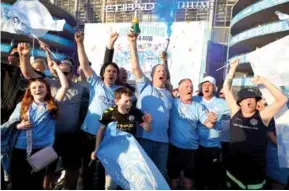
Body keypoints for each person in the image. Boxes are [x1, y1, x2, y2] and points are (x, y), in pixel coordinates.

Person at [18, 42, 86, 190]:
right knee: (46, 170)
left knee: (72, 170)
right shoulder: (48, 84)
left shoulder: (81, 89)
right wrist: (24, 57)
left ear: (73, 74)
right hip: (51, 136)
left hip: (71, 136)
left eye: (66, 72)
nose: (61, 74)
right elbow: (28, 73)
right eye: (59, 72)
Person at [7, 43, 68, 189]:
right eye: (34, 87)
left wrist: (57, 68)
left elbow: (64, 86)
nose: (38, 89)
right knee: (17, 184)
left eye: (41, 87)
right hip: (20, 150)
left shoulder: (52, 105)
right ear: (30, 91)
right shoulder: (22, 105)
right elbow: (11, 124)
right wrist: (19, 125)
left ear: (47, 90)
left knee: (35, 185)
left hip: (41, 152)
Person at [223, 59, 288, 190]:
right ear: (239, 102)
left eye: (252, 98)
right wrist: (233, 69)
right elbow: (226, 88)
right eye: (245, 98)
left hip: (255, 174)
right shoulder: (235, 112)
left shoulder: (263, 115)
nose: (249, 101)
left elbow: (283, 99)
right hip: (234, 172)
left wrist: (264, 81)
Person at [75, 31, 120, 189]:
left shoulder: (120, 91)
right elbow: (85, 65)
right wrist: (80, 44)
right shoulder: (97, 84)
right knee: (85, 170)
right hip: (88, 134)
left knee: (100, 171)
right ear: (103, 74)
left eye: (114, 72)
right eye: (108, 71)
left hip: (107, 136)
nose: (111, 73)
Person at [128, 30, 172, 177]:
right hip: (144, 139)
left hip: (163, 143)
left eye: (164, 71)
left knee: (160, 175)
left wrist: (164, 61)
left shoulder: (169, 94)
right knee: (143, 174)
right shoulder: (145, 86)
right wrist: (132, 43)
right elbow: (135, 67)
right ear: (152, 75)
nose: (162, 72)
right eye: (159, 70)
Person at [91, 87, 152, 189]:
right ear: (117, 101)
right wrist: (97, 149)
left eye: (131, 101)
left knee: (128, 182)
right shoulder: (109, 113)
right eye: (126, 101)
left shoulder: (135, 112)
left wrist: (148, 123)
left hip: (130, 153)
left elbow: (147, 129)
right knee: (110, 184)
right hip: (113, 152)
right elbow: (100, 131)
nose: (129, 104)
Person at [168, 78, 217, 189]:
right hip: (174, 148)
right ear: (179, 90)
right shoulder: (172, 102)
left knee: (188, 181)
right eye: (186, 86)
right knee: (173, 179)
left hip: (191, 150)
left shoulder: (198, 106)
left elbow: (209, 124)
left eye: (191, 86)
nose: (189, 88)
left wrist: (212, 120)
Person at [193, 76, 230, 189]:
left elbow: (237, 112)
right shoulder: (195, 100)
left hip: (213, 146)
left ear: (215, 88)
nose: (206, 87)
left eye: (209, 85)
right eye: (204, 85)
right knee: (197, 176)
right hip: (196, 145)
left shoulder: (223, 103)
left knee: (211, 177)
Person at [256, 98, 289, 189]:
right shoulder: (279, 107)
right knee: (278, 182)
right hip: (277, 155)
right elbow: (270, 133)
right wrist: (284, 147)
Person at [1, 44, 27, 124]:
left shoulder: (30, 74)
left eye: (22, 54)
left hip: (19, 119)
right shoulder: (4, 69)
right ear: (9, 57)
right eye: (17, 54)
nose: (19, 57)